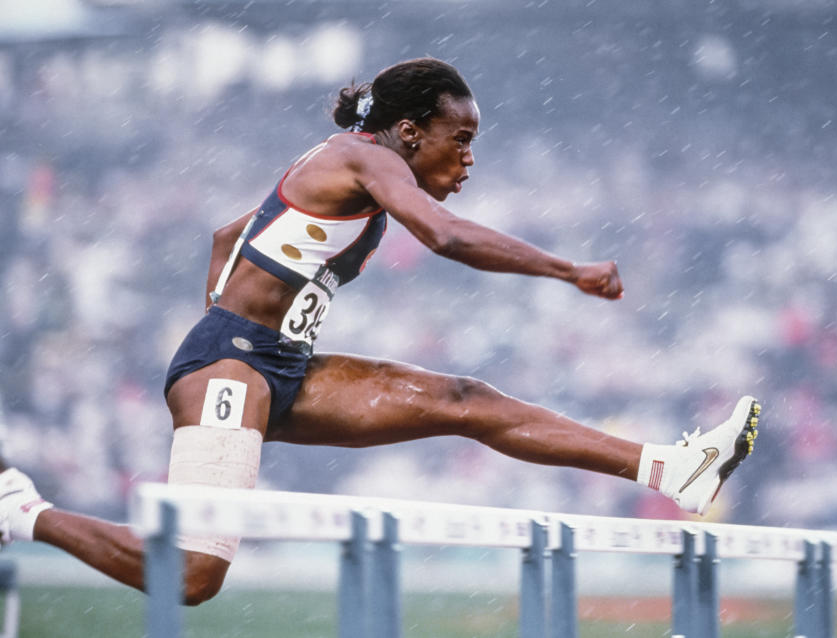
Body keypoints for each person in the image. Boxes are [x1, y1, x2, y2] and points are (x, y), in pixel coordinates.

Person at [0, 58, 759, 605]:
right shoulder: (363, 160)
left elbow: (228, 231)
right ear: (407, 131)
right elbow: (447, 237)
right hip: (231, 367)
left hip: (277, 365)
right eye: (458, 141)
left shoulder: (357, 164)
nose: (468, 161)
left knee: (466, 398)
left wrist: (239, 314)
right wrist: (567, 271)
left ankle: (672, 469)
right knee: (197, 575)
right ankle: (23, 511)